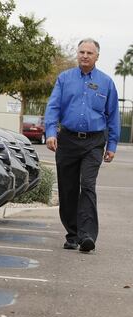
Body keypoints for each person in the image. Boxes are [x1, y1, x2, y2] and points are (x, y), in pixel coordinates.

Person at [44, 38, 120, 253]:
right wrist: (51, 132)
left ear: (97, 56)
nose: (85, 56)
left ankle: (87, 236)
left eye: (89, 53)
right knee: (67, 189)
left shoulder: (106, 83)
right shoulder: (64, 79)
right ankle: (73, 233)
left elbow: (113, 115)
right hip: (67, 140)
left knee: (87, 185)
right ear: (77, 54)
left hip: (94, 142)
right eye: (81, 52)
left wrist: (112, 145)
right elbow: (53, 107)